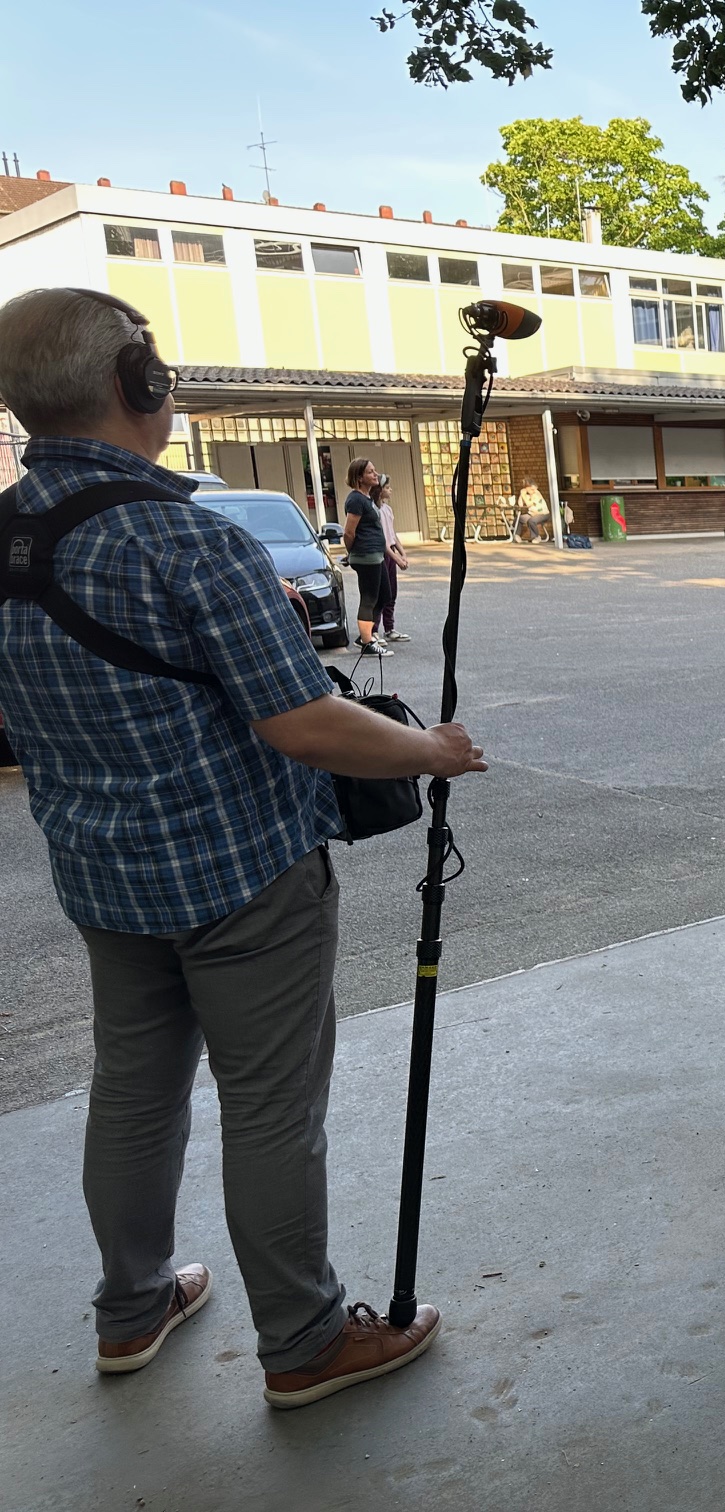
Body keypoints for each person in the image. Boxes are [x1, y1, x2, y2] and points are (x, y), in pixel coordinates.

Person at [0, 287, 487, 1408]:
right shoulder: (185, 539)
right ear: (140, 387)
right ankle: (307, 1341)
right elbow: (301, 722)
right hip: (240, 876)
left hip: (100, 876)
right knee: (269, 1104)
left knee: (133, 1091)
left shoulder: (11, 537)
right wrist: (434, 753)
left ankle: (131, 1310)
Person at [342, 458, 389, 655]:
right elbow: (348, 532)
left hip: (376, 555)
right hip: (366, 556)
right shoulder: (355, 500)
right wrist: (353, 551)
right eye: (370, 472)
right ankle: (367, 642)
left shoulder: (367, 499)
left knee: (384, 595)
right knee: (368, 598)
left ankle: (366, 634)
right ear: (359, 477)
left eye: (374, 470)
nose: (375, 474)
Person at [373, 480, 411, 643]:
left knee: (392, 592)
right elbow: (382, 540)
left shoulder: (388, 509)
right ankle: (373, 630)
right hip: (381, 554)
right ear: (379, 490)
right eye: (387, 487)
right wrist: (396, 559)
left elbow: (392, 535)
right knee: (380, 593)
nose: (391, 490)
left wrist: (402, 553)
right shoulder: (375, 511)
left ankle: (389, 628)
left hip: (391, 554)